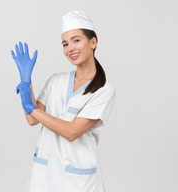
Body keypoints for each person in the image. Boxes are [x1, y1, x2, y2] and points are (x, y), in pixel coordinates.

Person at [11, 10, 116, 192]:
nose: (70, 48)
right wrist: (27, 83)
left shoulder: (104, 90)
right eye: (65, 44)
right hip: (45, 172)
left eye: (76, 40)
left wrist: (30, 106)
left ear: (93, 42)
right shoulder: (55, 81)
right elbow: (32, 119)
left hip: (79, 180)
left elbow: (72, 131)